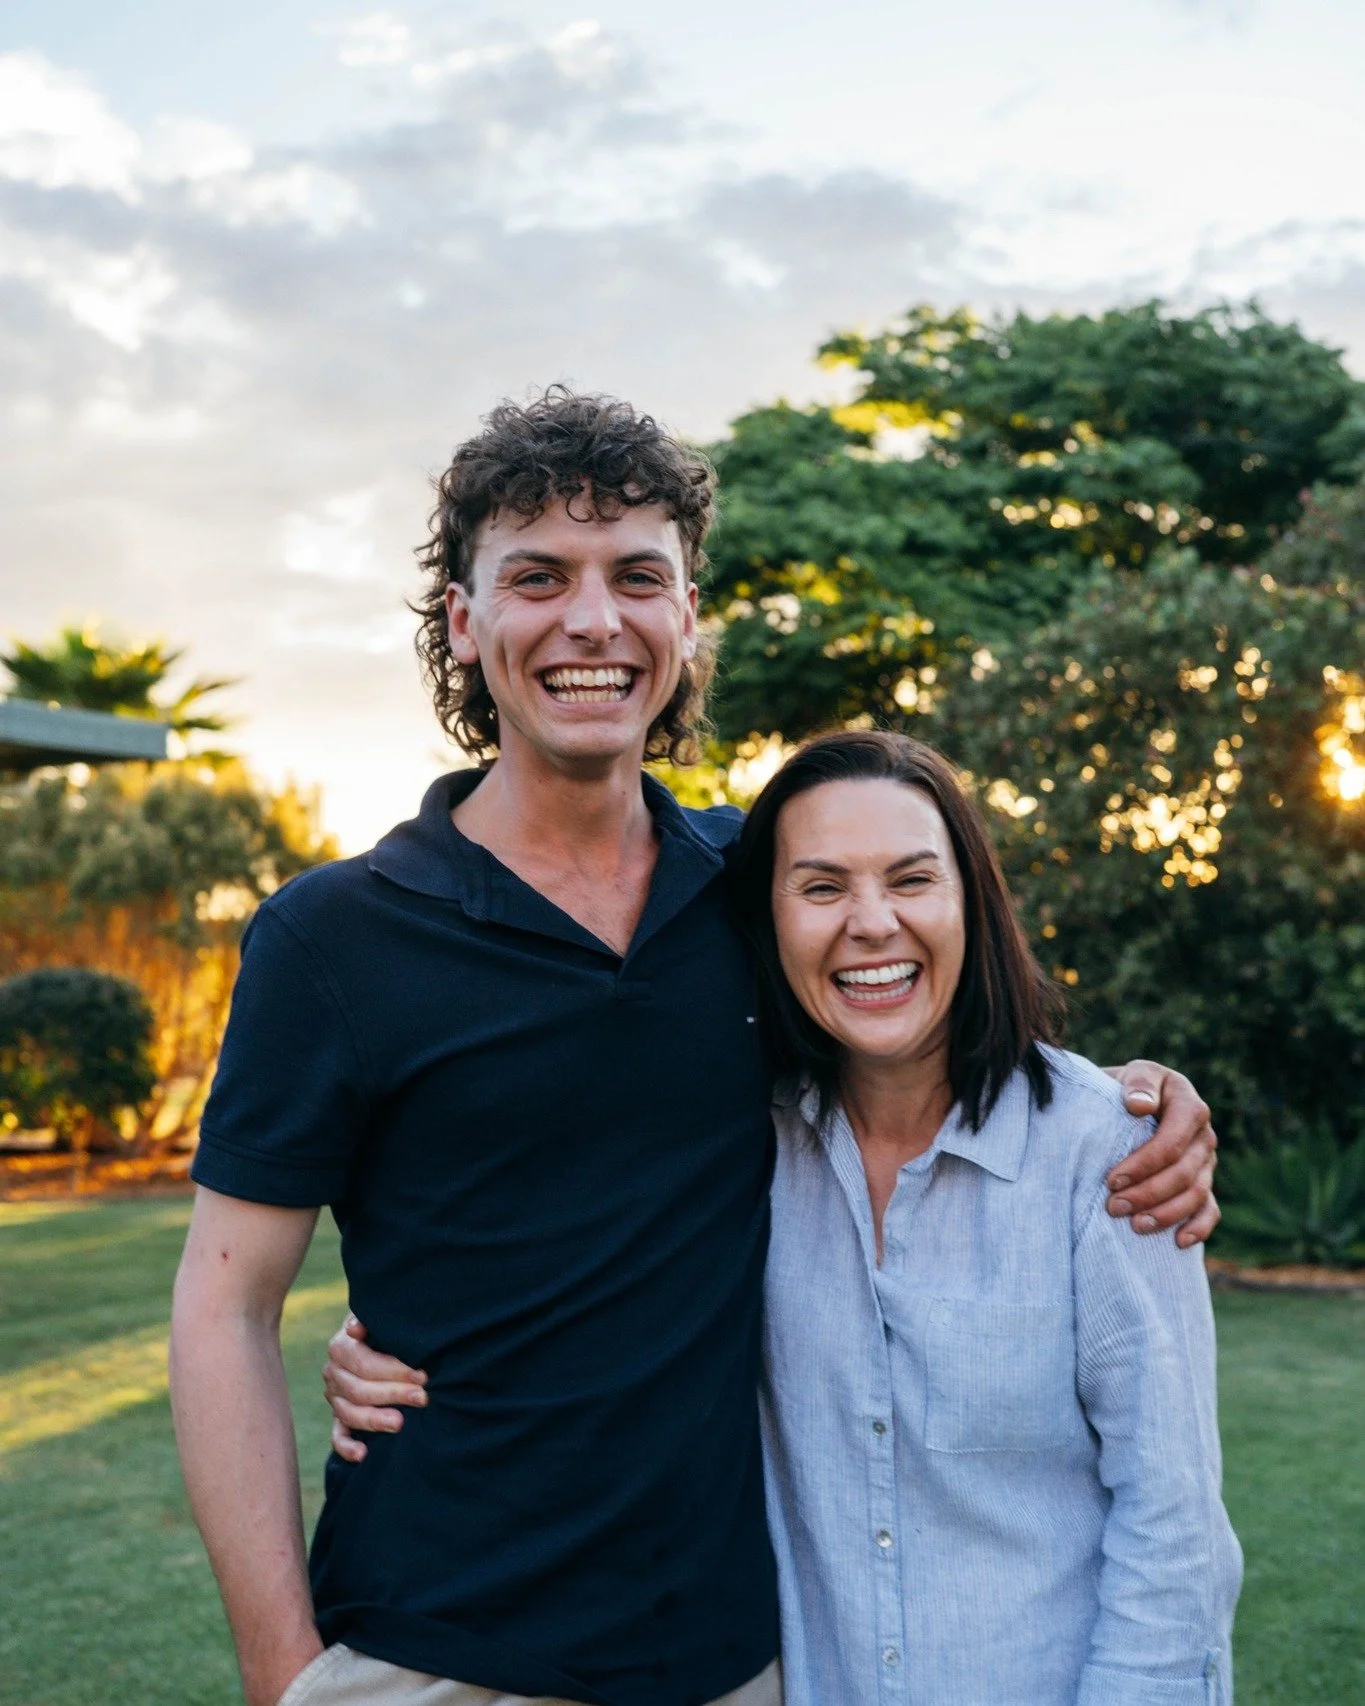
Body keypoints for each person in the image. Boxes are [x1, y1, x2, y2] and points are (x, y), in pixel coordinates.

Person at [171, 388, 1218, 1706]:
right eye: (538, 575)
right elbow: (223, 1304)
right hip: (426, 1651)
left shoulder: (756, 886)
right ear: (462, 620)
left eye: (637, 576)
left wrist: (1151, 1100)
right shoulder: (332, 939)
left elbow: (921, 1023)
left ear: (685, 617)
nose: (592, 620)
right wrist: (282, 1672)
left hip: (732, 1654)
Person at [336, 729, 1242, 1706]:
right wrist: (391, 1335)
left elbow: (1174, 1531)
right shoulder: (746, 1147)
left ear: (973, 901)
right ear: (768, 922)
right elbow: (587, 1266)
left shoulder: (1111, 1155)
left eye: (912, 879)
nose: (872, 921)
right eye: (820, 887)